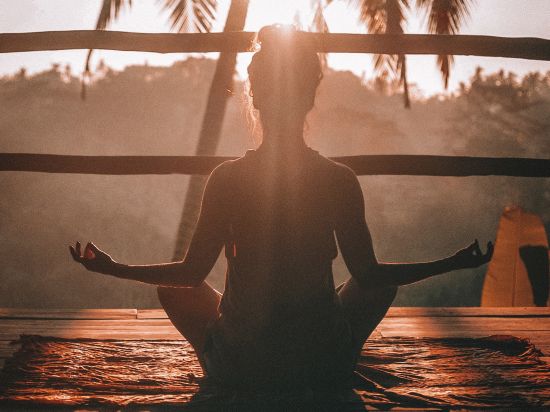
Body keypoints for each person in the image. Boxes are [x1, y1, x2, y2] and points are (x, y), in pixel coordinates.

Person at [70, 25, 493, 388]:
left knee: (174, 289)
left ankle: (235, 352)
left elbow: (190, 274)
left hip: (240, 368)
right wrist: (452, 263)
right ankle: (334, 355)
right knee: (381, 283)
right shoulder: (337, 179)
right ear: (310, 98)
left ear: (255, 97)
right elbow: (369, 275)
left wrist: (114, 268)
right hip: (322, 364)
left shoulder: (228, 179)